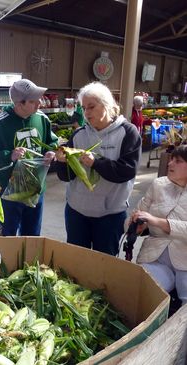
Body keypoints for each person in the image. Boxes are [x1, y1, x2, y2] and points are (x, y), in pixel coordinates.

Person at [55, 81, 141, 256]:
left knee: (104, 264)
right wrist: (62, 162)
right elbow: (66, 177)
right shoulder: (79, 135)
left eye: (91, 107)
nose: (86, 113)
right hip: (77, 212)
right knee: (77, 260)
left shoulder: (128, 133)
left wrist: (96, 163)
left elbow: (126, 171)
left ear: (107, 104)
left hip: (110, 215)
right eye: (84, 108)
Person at [0, 79, 58, 236]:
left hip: (36, 190)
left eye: (39, 99)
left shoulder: (42, 119)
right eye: (33, 101)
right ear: (19, 103)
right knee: (8, 236)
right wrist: (10, 155)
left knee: (32, 236)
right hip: (9, 194)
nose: (39, 104)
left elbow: (52, 142)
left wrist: (52, 152)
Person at [130, 144, 187, 305]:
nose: (170, 164)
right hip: (156, 256)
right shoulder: (159, 185)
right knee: (138, 293)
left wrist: (157, 222)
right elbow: (137, 214)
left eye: (178, 161)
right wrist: (137, 227)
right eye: (171, 160)